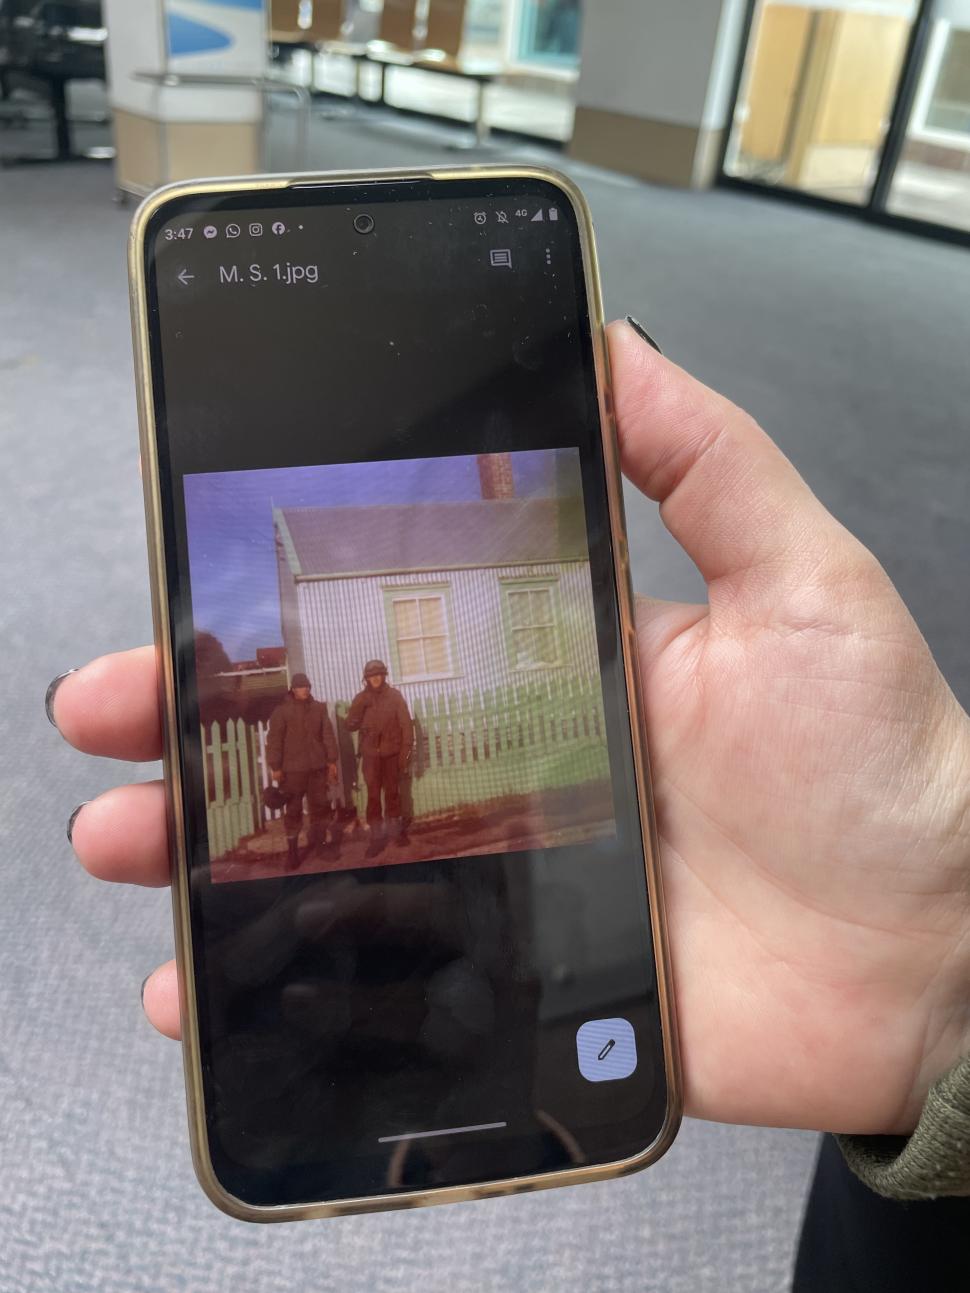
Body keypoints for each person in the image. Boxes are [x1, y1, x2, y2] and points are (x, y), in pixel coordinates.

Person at [51, 320, 970, 1282]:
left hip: (377, 771)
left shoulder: (376, 694)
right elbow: (332, 736)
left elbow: (371, 732)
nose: (356, 669)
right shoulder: (325, 699)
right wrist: (947, 988)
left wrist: (946, 967)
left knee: (410, 859)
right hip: (919, 1185)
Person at [264, 671, 339, 870]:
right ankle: (293, 854)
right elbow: (274, 741)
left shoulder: (319, 709)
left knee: (320, 807)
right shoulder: (281, 712)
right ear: (293, 689)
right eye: (300, 687)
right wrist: (275, 766)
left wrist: (332, 761)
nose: (304, 690)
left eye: (306, 686)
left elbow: (328, 735)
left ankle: (321, 847)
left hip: (317, 769)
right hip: (293, 772)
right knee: (294, 811)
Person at [344, 659, 414, 858]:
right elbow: (350, 725)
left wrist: (405, 754)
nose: (375, 678)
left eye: (378, 674)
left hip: (392, 755)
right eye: (371, 675)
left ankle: (396, 834)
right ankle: (376, 839)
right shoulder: (361, 698)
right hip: (371, 757)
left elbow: (406, 726)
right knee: (374, 797)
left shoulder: (395, 697)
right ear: (366, 678)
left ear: (384, 675)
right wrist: (359, 707)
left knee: (393, 793)